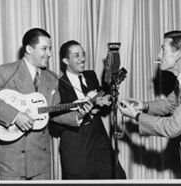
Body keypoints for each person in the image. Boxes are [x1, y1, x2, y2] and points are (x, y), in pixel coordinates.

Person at [0, 28, 92, 180]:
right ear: (29, 49)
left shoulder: (52, 78)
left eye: (50, 48)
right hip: (10, 162)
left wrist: (78, 113)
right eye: (44, 48)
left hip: (41, 163)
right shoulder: (6, 71)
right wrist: (15, 116)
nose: (49, 53)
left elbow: (52, 113)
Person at [118, 30, 181, 179]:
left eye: (163, 50)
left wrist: (137, 116)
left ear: (177, 55)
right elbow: (170, 103)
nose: (158, 56)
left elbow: (173, 127)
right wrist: (144, 106)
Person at [50, 40, 126, 179]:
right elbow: (54, 125)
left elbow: (103, 109)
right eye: (77, 55)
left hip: (99, 140)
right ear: (66, 60)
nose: (83, 59)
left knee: (117, 178)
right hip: (75, 146)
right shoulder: (57, 85)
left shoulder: (91, 76)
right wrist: (79, 115)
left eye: (83, 54)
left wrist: (106, 100)